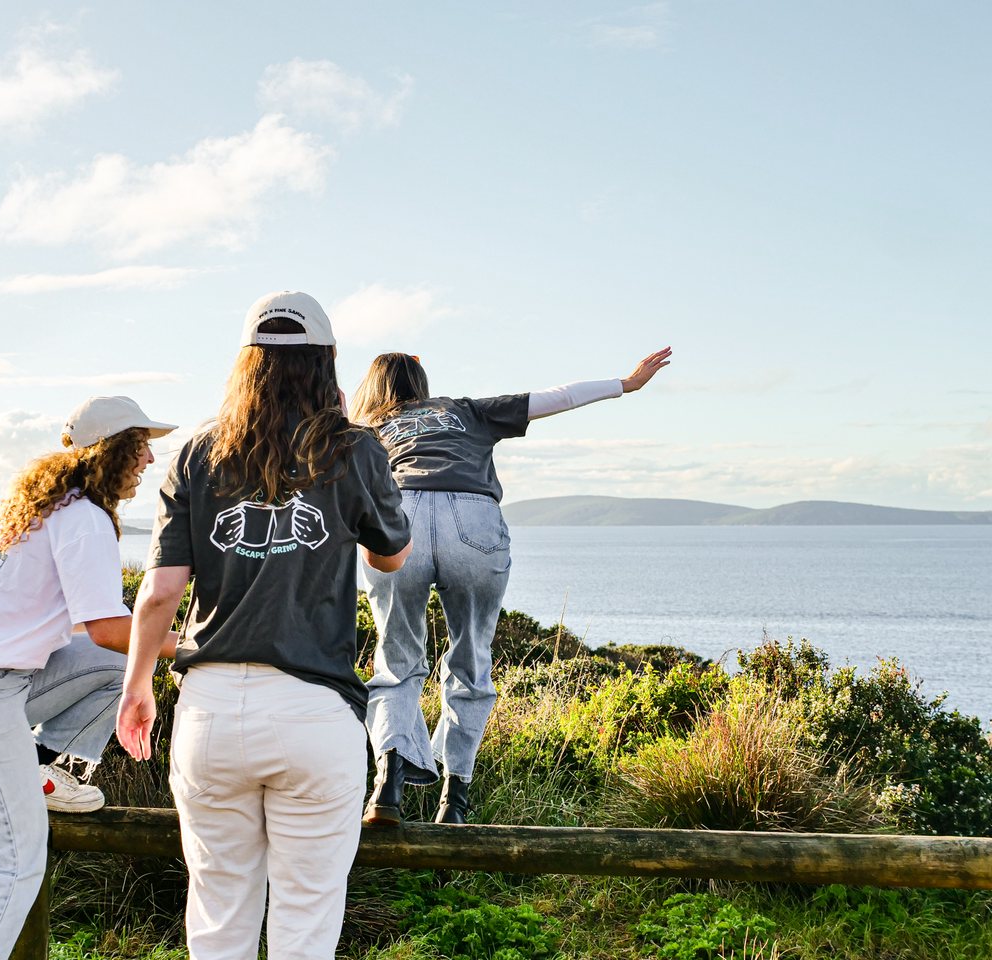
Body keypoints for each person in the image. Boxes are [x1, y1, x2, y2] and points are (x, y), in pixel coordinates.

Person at [117, 291, 412, 960]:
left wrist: (137, 686)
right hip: (314, 710)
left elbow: (160, 593)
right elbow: (391, 556)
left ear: (246, 362)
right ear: (325, 361)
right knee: (305, 923)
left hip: (210, 712)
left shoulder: (198, 452)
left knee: (218, 915)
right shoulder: (354, 449)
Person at [349, 347, 672, 826]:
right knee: (471, 660)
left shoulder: (367, 428)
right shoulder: (467, 410)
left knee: (397, 661)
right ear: (423, 383)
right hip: (472, 519)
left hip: (401, 515)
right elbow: (556, 397)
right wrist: (625, 384)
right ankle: (454, 800)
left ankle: (387, 789)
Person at [0, 395, 178, 960]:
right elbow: (109, 629)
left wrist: (157, 647)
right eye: (140, 446)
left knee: (123, 667)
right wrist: (204, 646)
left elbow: (98, 635)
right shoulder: (83, 518)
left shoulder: (52, 506)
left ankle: (50, 772)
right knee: (11, 861)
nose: (149, 460)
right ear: (112, 450)